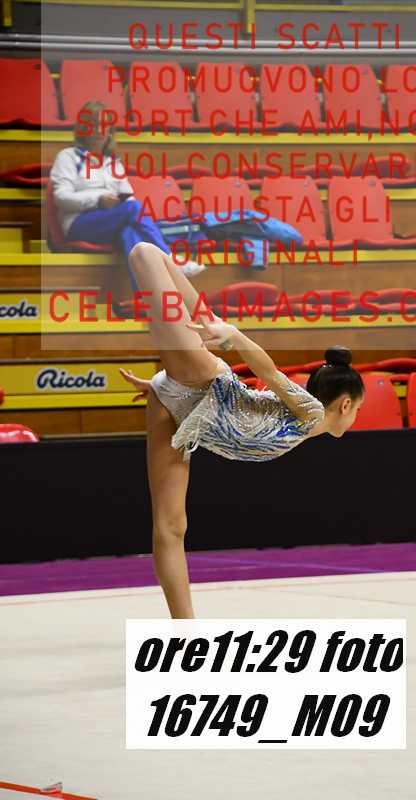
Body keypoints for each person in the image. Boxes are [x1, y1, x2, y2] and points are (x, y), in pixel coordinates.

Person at [119, 241, 365, 619]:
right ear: (345, 404)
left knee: (170, 526)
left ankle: (185, 631)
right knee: (143, 254)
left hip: (175, 406)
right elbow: (269, 372)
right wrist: (232, 334)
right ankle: (196, 300)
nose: (357, 416)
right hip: (206, 384)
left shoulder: (300, 420)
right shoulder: (310, 412)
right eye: (359, 409)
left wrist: (160, 385)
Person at [49, 100, 204, 296]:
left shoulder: (113, 163)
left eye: (104, 125)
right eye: (93, 124)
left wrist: (120, 203)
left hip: (111, 223)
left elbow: (128, 198)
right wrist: (99, 200)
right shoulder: (68, 157)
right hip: (78, 224)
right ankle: (170, 259)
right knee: (133, 208)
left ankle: (143, 299)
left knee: (131, 235)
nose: (99, 130)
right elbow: (61, 197)